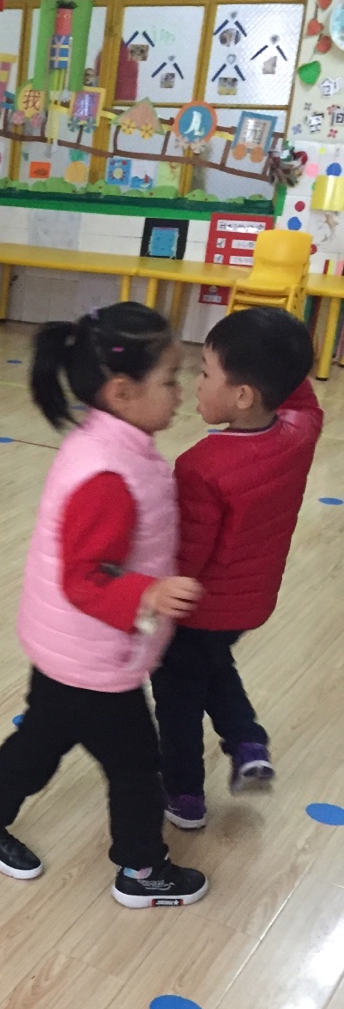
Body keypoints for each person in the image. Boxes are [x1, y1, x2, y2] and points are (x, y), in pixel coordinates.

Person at [0, 303, 208, 909]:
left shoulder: (111, 445)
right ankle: (141, 870)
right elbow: (84, 578)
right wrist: (147, 593)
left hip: (68, 646)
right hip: (92, 654)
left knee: (41, 739)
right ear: (122, 391)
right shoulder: (107, 474)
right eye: (170, 379)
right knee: (137, 765)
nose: (180, 393)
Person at [151, 307, 322, 829]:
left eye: (206, 373)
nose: (196, 383)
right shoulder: (301, 432)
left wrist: (154, 598)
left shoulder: (201, 466)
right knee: (213, 665)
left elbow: (189, 555)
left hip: (200, 607)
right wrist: (276, 348)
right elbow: (301, 393)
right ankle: (248, 743)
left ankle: (184, 795)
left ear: (243, 395)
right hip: (249, 604)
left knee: (179, 697)